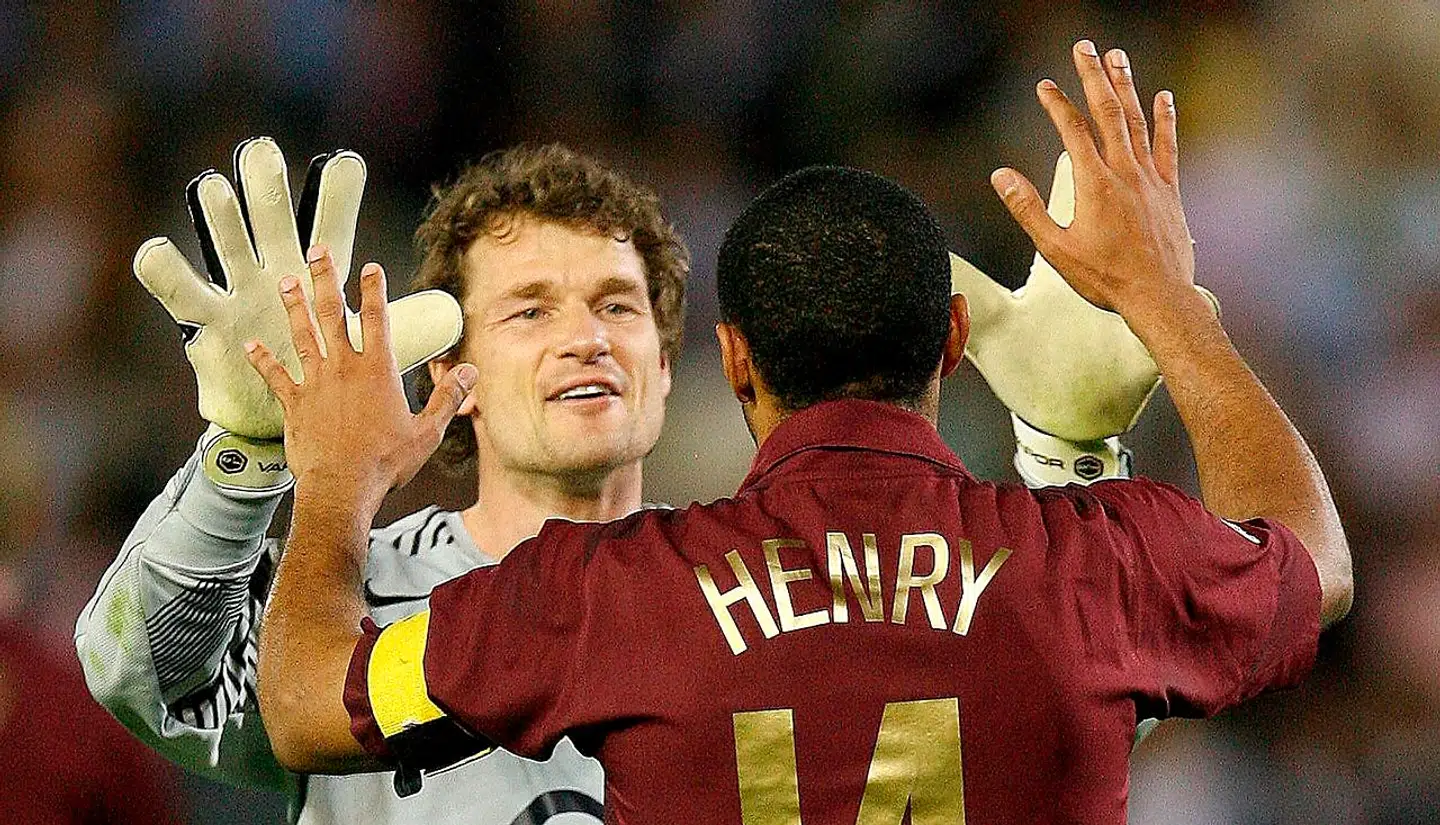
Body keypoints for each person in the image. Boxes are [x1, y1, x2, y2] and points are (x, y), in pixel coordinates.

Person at [249, 41, 1352, 824]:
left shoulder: (605, 596)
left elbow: (303, 707)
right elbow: (1312, 553)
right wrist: (1161, 300)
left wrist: (337, 478)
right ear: (954, 341)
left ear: (733, 359)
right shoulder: (1095, 564)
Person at [75, 141, 687, 824]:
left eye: (618, 306)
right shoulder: (330, 599)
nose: (586, 339)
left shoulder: (734, 587)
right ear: (451, 366)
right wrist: (250, 445)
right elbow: (140, 674)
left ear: (662, 363)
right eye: (530, 311)